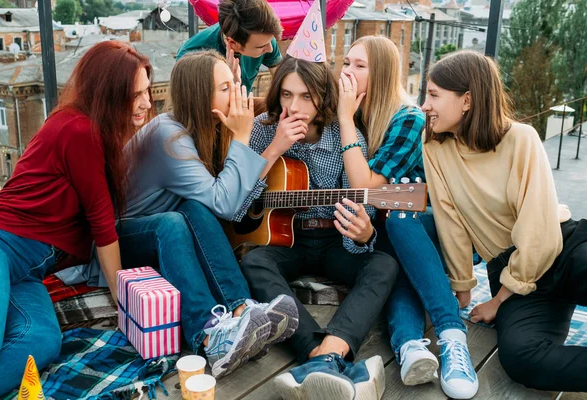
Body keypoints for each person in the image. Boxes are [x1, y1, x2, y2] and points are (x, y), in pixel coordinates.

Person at [0, 41, 153, 397]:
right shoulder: (79, 130)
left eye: (148, 91)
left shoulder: (95, 132)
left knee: (42, 342)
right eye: (136, 93)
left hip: (28, 271)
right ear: (109, 92)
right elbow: (101, 222)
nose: (147, 102)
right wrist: (124, 302)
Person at [118, 50, 298, 379]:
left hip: (165, 233)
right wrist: (243, 137)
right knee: (176, 220)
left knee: (192, 208)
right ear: (202, 95)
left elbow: (224, 199)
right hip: (122, 239)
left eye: (235, 84)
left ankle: (242, 309)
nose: (238, 94)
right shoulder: (168, 137)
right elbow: (226, 203)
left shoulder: (201, 129)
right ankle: (208, 335)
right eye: (226, 88)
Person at [421, 50, 587, 392]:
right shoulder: (435, 147)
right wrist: (463, 287)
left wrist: (497, 302)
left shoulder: (521, 139)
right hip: (513, 275)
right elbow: (449, 219)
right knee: (521, 359)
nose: (425, 105)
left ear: (466, 100)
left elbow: (539, 233)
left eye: (434, 95)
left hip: (563, 250)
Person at [239, 55, 397, 400]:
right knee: (253, 263)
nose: (294, 106)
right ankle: (317, 354)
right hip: (285, 238)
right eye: (286, 94)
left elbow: (361, 205)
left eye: (306, 97)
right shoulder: (263, 128)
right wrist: (275, 148)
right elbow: (238, 205)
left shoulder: (345, 134)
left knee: (384, 264)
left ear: (322, 98)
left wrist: (364, 234)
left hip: (333, 238)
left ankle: (329, 350)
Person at [337, 36, 477, 399]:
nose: (348, 72)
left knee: (398, 224)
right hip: (385, 235)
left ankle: (450, 335)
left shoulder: (408, 118)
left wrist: (343, 118)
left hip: (426, 228)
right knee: (391, 263)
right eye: (346, 63)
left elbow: (364, 187)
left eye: (359, 66)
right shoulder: (362, 115)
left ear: (381, 73)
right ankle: (410, 347)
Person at [176, 0, 283, 93]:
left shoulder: (263, 38)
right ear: (232, 43)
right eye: (261, 47)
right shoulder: (191, 56)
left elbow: (281, 82)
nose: (270, 49)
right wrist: (230, 83)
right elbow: (197, 110)